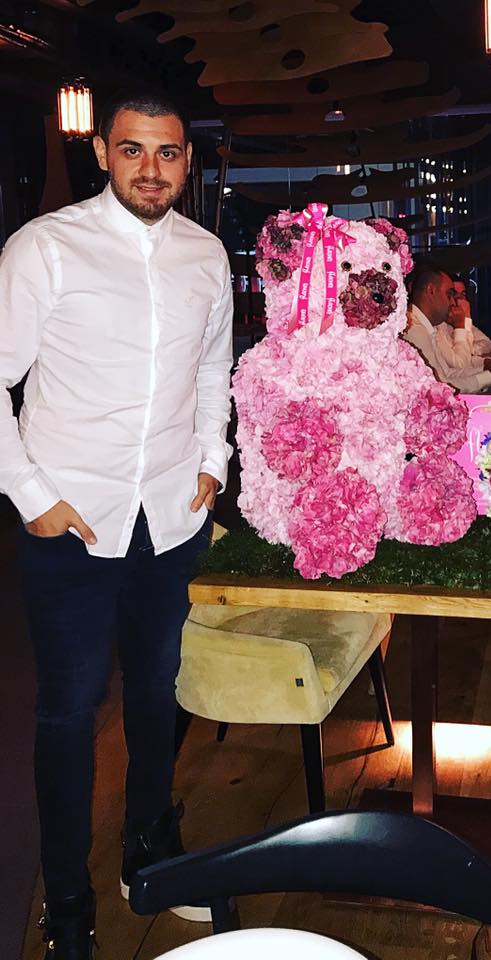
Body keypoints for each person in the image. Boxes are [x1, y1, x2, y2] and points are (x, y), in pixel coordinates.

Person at [0, 89, 234, 958]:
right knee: (68, 711)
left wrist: (213, 459)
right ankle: (67, 898)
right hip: (72, 521)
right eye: (133, 150)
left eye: (167, 153)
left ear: (187, 161)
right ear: (102, 152)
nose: (151, 169)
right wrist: (30, 494)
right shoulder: (45, 247)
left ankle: (149, 851)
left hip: (170, 515)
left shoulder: (206, 255)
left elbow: (212, 370)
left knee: (154, 690)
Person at [404, 264, 491, 391]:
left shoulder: (427, 326)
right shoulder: (413, 328)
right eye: (449, 295)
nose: (452, 302)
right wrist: (489, 376)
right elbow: (439, 386)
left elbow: (446, 374)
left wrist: (485, 369)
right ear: (431, 290)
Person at [435, 275, 491, 370]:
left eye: (463, 294)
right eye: (454, 293)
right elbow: (461, 365)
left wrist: (472, 353)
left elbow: (487, 343)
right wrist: (466, 316)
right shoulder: (438, 325)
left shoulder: (455, 322)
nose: (460, 299)